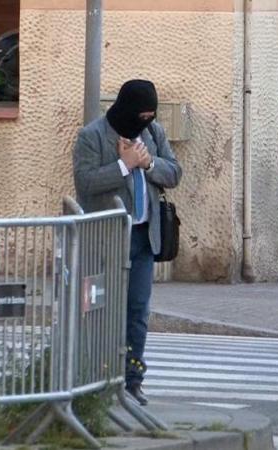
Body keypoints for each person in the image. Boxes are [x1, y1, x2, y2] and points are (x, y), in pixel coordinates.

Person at [73, 79, 182, 405]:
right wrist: (124, 165)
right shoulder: (92, 136)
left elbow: (174, 172)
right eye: (141, 115)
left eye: (151, 115)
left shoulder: (153, 134)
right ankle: (99, 377)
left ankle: (132, 379)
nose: (145, 121)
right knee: (102, 310)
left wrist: (148, 163)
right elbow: (85, 181)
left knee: (137, 310)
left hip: (144, 236)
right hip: (106, 238)